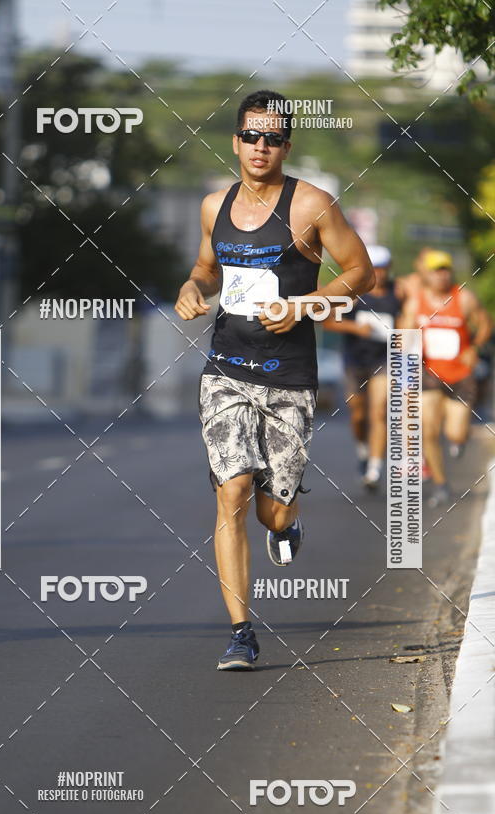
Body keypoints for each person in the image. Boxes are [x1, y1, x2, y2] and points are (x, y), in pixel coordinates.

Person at [174, 89, 374, 670]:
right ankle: (241, 632)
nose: (261, 147)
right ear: (235, 141)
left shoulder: (311, 205)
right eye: (251, 136)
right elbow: (207, 269)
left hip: (289, 375)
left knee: (273, 512)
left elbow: (359, 270)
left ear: (287, 144)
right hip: (226, 368)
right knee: (231, 492)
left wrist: (306, 303)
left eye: (274, 138)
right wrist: (192, 288)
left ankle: (289, 515)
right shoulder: (215, 206)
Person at [399, 250, 492, 507]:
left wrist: (474, 348)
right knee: (427, 430)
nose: (442, 275)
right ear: (426, 274)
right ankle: (440, 484)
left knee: (456, 431)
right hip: (429, 374)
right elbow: (405, 336)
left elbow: (485, 324)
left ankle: (458, 441)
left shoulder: (464, 299)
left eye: (445, 270)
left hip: (461, 376)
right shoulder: (415, 303)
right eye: (436, 270)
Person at [323, 245, 401, 489]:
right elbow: (329, 322)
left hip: (383, 361)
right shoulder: (354, 295)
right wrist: (356, 328)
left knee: (380, 411)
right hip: (355, 361)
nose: (379, 272)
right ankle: (363, 450)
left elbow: (409, 320)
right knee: (358, 414)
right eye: (374, 267)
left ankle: (375, 469)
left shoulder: (398, 294)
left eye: (382, 267)